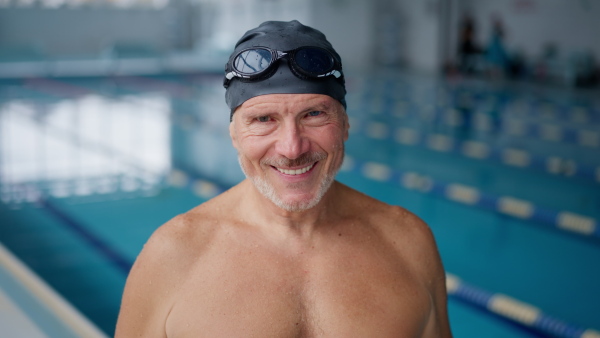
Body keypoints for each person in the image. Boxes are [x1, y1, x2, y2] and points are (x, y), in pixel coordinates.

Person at [115, 20, 452, 337]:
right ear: (234, 133)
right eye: (264, 118)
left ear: (346, 124)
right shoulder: (174, 254)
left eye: (314, 114)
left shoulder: (408, 242)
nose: (292, 148)